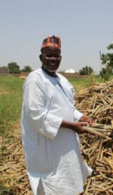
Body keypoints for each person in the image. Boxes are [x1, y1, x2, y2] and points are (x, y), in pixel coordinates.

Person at [21, 35, 94, 195]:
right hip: (47, 147)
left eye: (56, 55)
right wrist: (71, 126)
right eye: (48, 55)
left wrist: (81, 117)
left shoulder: (63, 80)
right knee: (52, 186)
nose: (53, 59)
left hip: (66, 145)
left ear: (61, 58)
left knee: (69, 182)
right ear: (41, 57)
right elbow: (36, 115)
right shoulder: (35, 80)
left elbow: (68, 108)